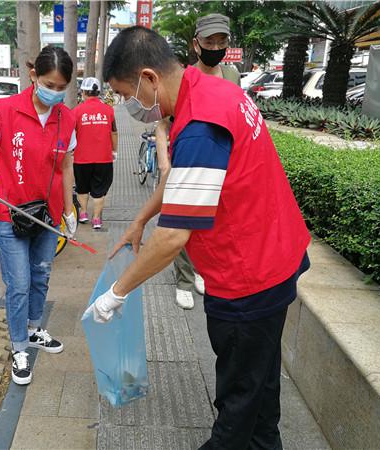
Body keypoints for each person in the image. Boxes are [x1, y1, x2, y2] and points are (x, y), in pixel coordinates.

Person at [89, 26, 311, 449]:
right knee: (261, 387)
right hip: (275, 259)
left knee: (238, 400)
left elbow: (172, 238)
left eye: (125, 94)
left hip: (248, 279)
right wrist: (139, 219)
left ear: (150, 79)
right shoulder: (213, 92)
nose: (126, 106)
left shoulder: (200, 124)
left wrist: (117, 292)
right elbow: (180, 179)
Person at [0, 46, 78, 386]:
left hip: (47, 215)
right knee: (19, 284)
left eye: (61, 87)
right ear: (33, 76)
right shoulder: (5, 110)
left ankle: (35, 329)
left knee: (41, 276)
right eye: (49, 83)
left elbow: (66, 166)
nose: (54, 92)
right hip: (10, 213)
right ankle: (19, 346)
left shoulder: (66, 119)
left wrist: (69, 212)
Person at [171, 13, 243, 309]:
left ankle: (201, 270)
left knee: (212, 223)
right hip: (192, 159)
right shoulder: (186, 79)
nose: (215, 47)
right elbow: (167, 123)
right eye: (209, 41)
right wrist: (166, 163)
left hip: (223, 161)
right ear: (196, 44)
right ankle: (184, 280)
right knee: (184, 221)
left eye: (221, 41)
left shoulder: (233, 75)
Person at [72, 77, 118, 230]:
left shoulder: (77, 111)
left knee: (82, 187)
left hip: (81, 158)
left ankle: (83, 213)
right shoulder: (108, 110)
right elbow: (114, 133)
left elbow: (72, 133)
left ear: (84, 92)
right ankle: (96, 219)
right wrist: (114, 151)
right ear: (98, 92)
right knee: (99, 190)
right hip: (103, 158)